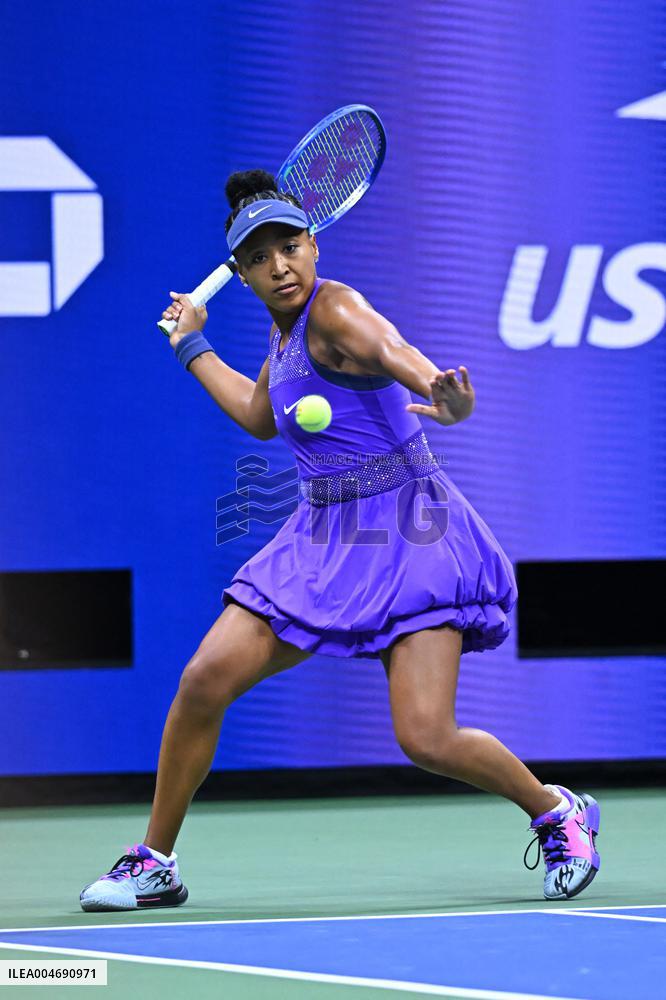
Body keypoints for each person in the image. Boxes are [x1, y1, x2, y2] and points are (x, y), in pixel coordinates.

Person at [79, 170, 600, 912]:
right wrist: (191, 347)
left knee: (425, 737)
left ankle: (556, 810)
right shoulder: (284, 332)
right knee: (204, 679)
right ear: (245, 272)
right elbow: (263, 414)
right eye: (261, 258)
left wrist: (442, 393)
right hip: (323, 538)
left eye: (290, 246)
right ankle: (154, 860)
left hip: (411, 537)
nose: (280, 266)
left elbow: (392, 348)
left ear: (312, 245)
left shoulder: (338, 309)